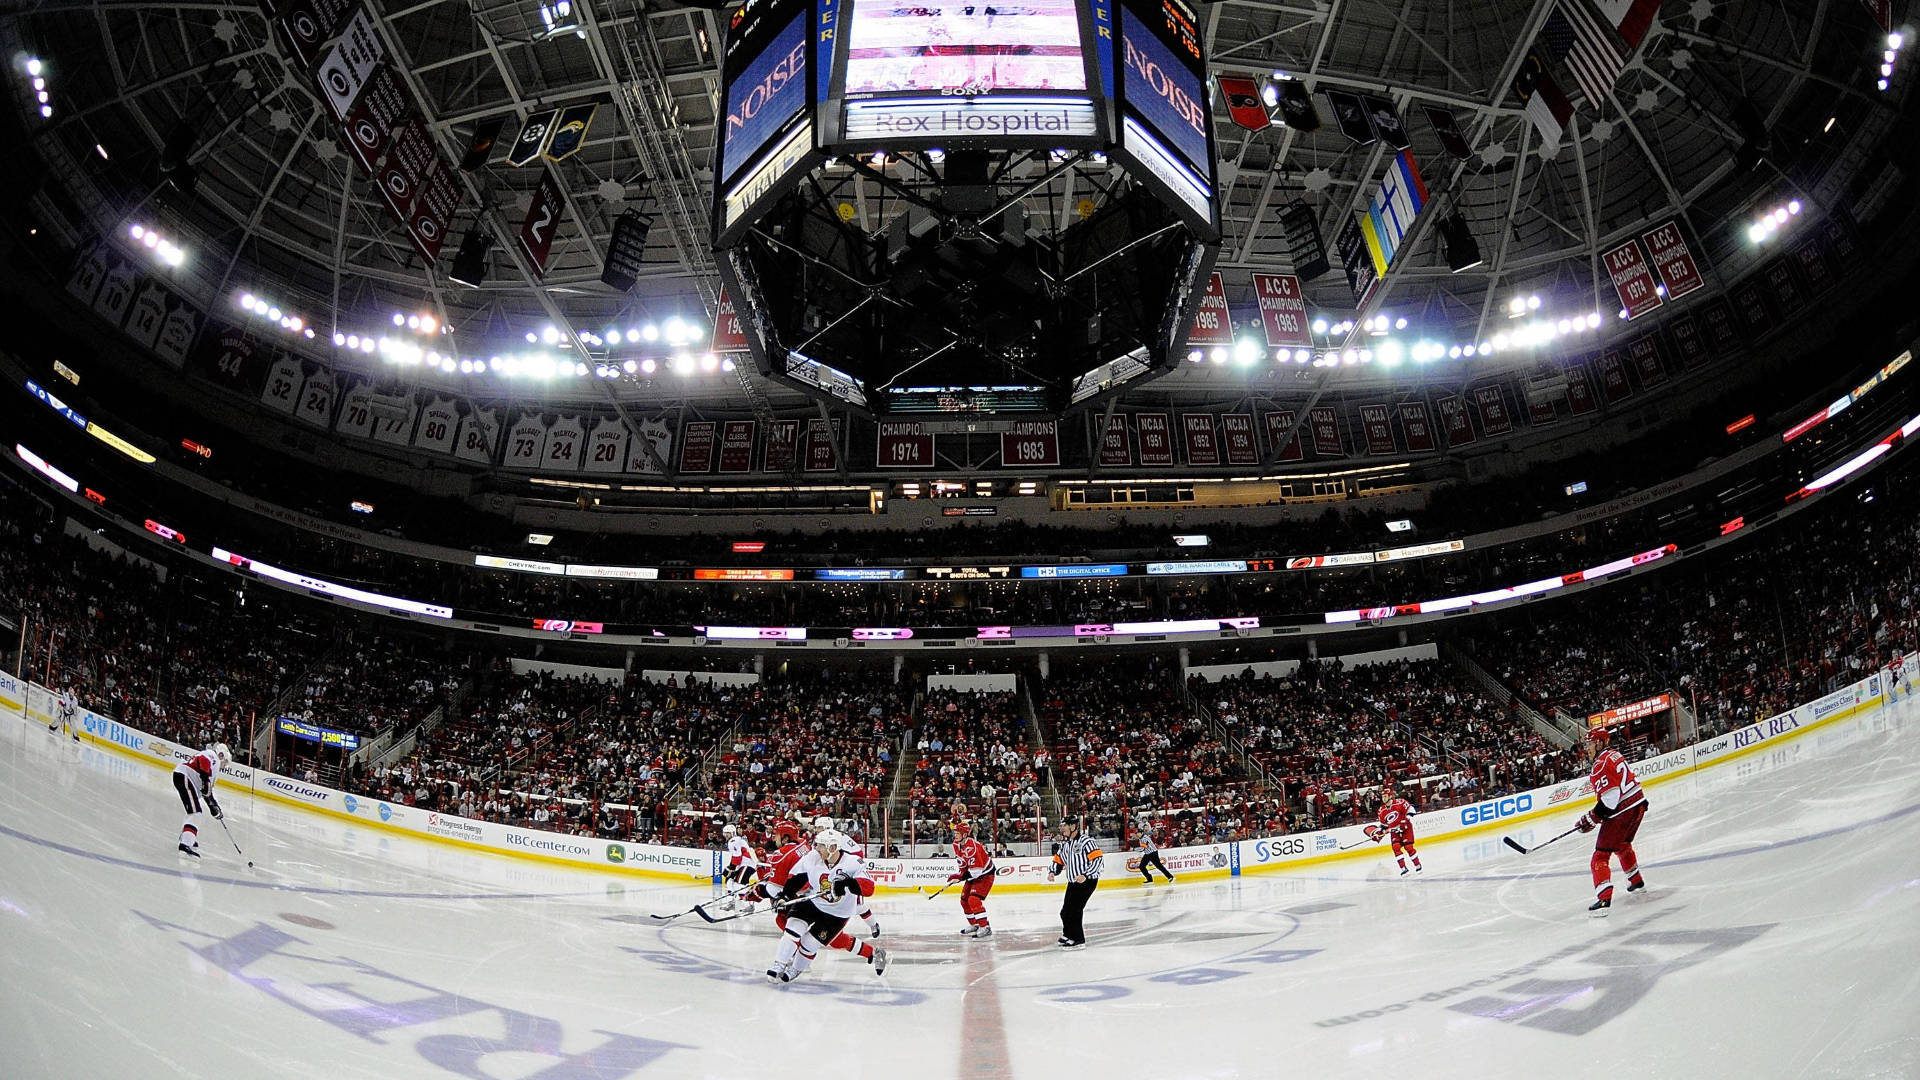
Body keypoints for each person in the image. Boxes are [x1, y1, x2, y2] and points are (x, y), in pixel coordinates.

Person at [766, 830, 887, 982]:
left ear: (832, 848)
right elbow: (797, 877)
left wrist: (846, 883)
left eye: (821, 846)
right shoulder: (812, 857)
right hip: (814, 903)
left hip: (836, 914)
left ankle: (794, 969)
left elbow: (869, 888)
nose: (817, 849)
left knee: (810, 943)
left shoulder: (852, 862)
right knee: (793, 927)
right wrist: (785, 895)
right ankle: (779, 964)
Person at [1576, 727, 1648, 916]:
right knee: (1622, 845)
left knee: (1600, 856)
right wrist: (1593, 817)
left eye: (1590, 743)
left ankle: (1603, 900)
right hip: (1639, 805)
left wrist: (1591, 818)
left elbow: (1610, 801)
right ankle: (1636, 880)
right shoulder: (1614, 755)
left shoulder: (1599, 764)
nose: (1587, 747)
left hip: (1623, 811)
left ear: (1600, 743)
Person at [815, 814, 880, 937]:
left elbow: (858, 853)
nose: (816, 829)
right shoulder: (819, 840)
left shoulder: (841, 838)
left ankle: (873, 924)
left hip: (845, 877)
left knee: (858, 905)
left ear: (826, 827)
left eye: (819, 827)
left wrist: (848, 870)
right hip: (829, 874)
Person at [1047, 817, 1101, 949]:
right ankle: (1068, 934)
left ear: (1073, 826)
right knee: (1065, 912)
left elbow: (1098, 859)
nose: (1061, 828)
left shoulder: (1086, 841)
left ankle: (1078, 939)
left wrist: (1086, 875)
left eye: (1064, 825)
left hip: (1087, 881)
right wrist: (1052, 871)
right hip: (1073, 882)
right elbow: (1058, 859)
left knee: (1075, 911)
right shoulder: (1067, 844)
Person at [173, 743, 231, 857]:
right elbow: (203, 760)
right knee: (196, 813)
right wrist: (205, 780)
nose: (224, 766)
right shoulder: (213, 756)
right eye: (225, 762)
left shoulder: (213, 768)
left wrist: (213, 806)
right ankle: (186, 843)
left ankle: (187, 835)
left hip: (184, 776)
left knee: (194, 812)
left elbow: (206, 792)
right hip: (185, 776)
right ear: (222, 755)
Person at [948, 819, 996, 938]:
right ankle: (975, 924)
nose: (955, 835)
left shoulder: (973, 847)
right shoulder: (956, 844)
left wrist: (960, 879)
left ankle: (985, 927)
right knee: (964, 900)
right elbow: (963, 864)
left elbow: (976, 872)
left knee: (973, 899)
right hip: (974, 873)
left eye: (957, 833)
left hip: (985, 874)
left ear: (964, 834)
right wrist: (959, 875)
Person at [1372, 785, 1422, 875]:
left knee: (1408, 847)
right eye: (1382, 796)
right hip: (1394, 831)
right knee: (1396, 847)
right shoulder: (1381, 810)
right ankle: (1403, 868)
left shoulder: (1400, 803)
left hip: (1406, 828)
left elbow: (1412, 810)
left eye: (1385, 796)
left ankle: (1417, 865)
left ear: (1390, 796)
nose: (1383, 798)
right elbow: (1384, 826)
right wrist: (1378, 834)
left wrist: (1405, 821)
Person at [717, 823, 760, 912]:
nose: (725, 835)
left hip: (747, 865)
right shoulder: (735, 840)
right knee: (729, 880)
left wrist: (731, 867)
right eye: (724, 833)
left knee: (739, 884)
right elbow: (735, 857)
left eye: (727, 833)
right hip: (743, 865)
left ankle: (750, 904)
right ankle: (731, 903)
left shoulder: (733, 841)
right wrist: (730, 868)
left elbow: (737, 857)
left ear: (732, 833)